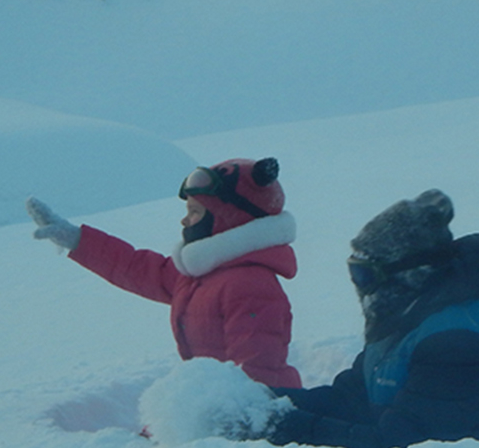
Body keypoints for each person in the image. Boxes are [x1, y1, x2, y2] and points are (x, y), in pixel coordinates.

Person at [243, 189, 479, 448]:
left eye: (363, 274)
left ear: (408, 275)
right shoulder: (408, 317)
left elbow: (398, 447)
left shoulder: (458, 339)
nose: (357, 286)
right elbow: (352, 400)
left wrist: (277, 426)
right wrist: (259, 400)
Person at [26, 158, 302, 388]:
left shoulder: (250, 286)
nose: (184, 220)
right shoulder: (203, 274)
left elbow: (257, 377)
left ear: (227, 219)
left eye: (194, 212)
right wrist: (77, 240)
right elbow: (136, 268)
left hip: (241, 415)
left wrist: (208, 424)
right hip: (212, 401)